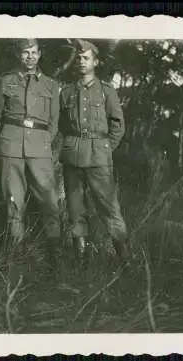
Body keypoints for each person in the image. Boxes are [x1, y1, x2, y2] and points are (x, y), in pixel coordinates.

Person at [0, 38, 62, 271]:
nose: (29, 57)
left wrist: (43, 142)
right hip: (10, 147)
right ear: (18, 55)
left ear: (40, 54)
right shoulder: (6, 81)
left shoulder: (51, 85)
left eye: (33, 52)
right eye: (25, 53)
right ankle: (15, 257)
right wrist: (5, 139)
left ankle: (55, 258)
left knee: (49, 200)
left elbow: (54, 122)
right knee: (13, 201)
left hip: (40, 149)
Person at [58, 39, 130, 269]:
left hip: (99, 158)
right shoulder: (67, 91)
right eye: (78, 58)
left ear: (96, 62)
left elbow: (118, 125)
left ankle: (126, 262)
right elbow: (61, 125)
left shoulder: (107, 91)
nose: (81, 62)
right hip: (72, 158)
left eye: (86, 58)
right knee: (75, 210)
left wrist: (106, 148)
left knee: (110, 209)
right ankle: (82, 266)